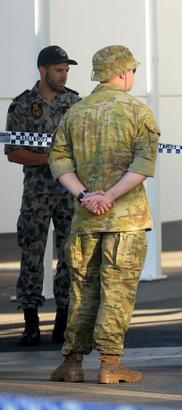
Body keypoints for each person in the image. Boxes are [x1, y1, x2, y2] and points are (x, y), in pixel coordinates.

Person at [48, 45, 161, 384]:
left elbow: (59, 162)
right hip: (125, 219)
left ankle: (71, 362)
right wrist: (109, 196)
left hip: (86, 218)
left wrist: (86, 196)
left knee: (82, 289)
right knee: (117, 289)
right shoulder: (138, 112)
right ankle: (111, 364)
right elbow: (143, 165)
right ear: (125, 72)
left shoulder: (75, 112)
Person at [5, 46, 81, 346]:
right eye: (58, 70)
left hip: (67, 193)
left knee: (68, 255)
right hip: (37, 194)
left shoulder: (74, 103)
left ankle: (63, 320)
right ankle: (30, 321)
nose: (63, 76)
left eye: (66, 70)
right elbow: (13, 152)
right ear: (43, 71)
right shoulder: (22, 106)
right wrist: (54, 160)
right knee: (32, 254)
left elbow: (81, 147)